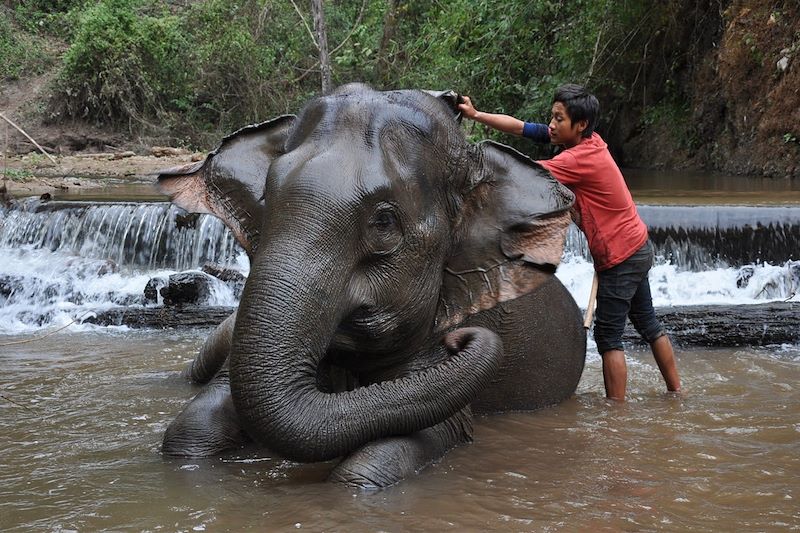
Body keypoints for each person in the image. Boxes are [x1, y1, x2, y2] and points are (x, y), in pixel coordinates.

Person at [458, 83, 681, 401]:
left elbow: (523, 175)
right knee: (648, 323)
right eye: (552, 116)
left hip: (620, 256)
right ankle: (677, 392)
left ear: (581, 125)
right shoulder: (590, 143)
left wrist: (470, 170)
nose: (551, 125)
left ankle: (616, 415)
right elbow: (523, 128)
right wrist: (476, 115)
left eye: (559, 119)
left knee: (608, 337)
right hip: (637, 246)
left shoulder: (579, 160)